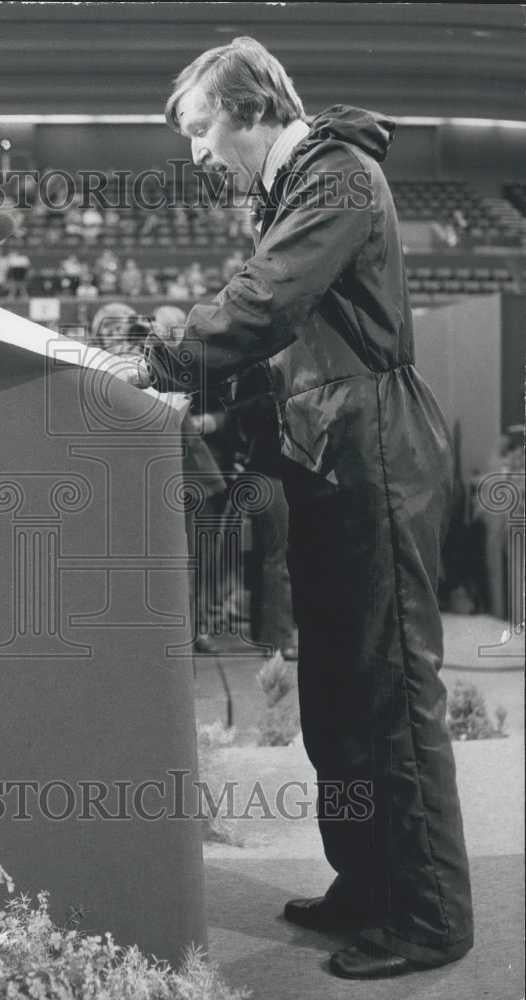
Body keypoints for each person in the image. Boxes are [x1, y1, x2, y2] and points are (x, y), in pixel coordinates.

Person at [129, 35, 474, 980]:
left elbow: (268, 305)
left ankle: (432, 916)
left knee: (392, 692)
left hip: (375, 449)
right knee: (336, 697)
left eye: (201, 129)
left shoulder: (337, 174)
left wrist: (163, 362)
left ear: (250, 110)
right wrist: (205, 402)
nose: (195, 152)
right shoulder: (295, 189)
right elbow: (291, 362)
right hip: (332, 447)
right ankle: (368, 884)